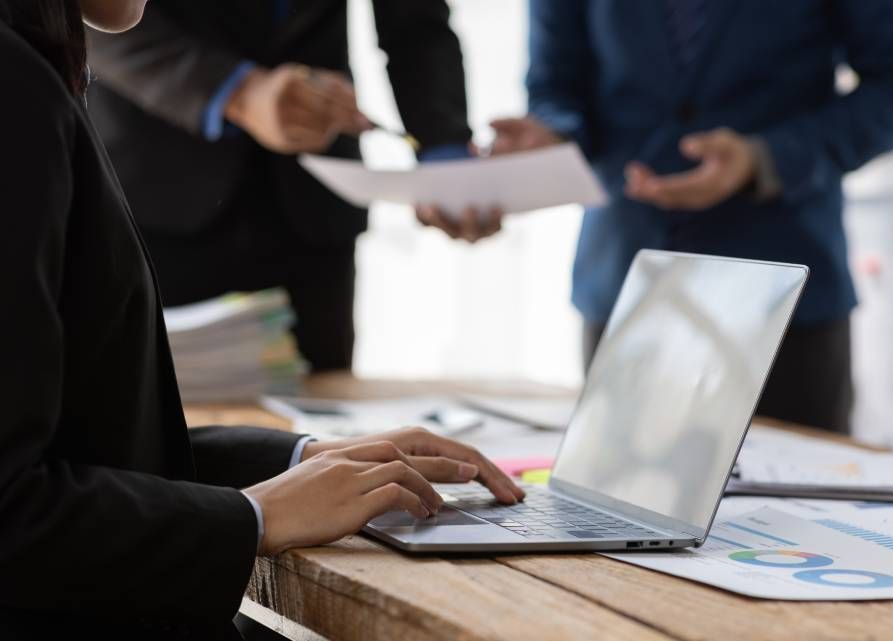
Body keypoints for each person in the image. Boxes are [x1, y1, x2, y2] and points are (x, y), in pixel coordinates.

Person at [0, 3, 524, 638]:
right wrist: (254, 515)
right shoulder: (17, 92)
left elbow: (88, 449)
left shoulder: (31, 75)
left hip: (306, 215)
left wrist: (303, 461)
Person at [439, 0, 893, 434]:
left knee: (800, 532)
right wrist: (553, 136)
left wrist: (766, 158)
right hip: (625, 283)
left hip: (784, 294)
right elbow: (556, 87)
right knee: (606, 530)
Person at [82, 0, 487, 372]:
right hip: (153, 191)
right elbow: (85, 11)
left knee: (330, 425)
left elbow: (416, 21)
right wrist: (237, 91)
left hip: (313, 206)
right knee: (150, 417)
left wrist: (443, 154)